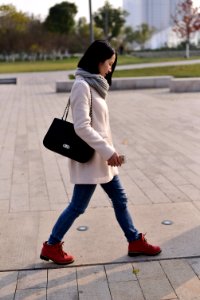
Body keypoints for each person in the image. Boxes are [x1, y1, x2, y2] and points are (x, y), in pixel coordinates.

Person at [40, 40, 161, 265]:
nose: (110, 69)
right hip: (92, 159)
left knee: (120, 198)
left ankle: (134, 240)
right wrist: (107, 151)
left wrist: (108, 152)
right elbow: (81, 126)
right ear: (97, 61)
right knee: (78, 206)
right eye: (108, 63)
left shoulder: (94, 84)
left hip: (103, 158)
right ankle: (51, 245)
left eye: (112, 64)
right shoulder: (82, 86)